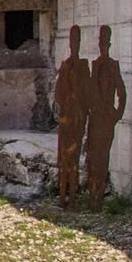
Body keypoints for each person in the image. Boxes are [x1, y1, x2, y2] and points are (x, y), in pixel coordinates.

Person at [84, 24, 127, 208]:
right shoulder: (94, 66)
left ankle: (99, 196)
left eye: (105, 42)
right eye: (100, 42)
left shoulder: (113, 65)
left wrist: (117, 114)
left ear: (108, 44)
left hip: (107, 117)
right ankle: (92, 195)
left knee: (103, 157)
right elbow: (89, 91)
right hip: (95, 117)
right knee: (93, 156)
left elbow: (122, 92)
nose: (102, 46)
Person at [53, 23, 89, 208]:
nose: (75, 44)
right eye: (73, 40)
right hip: (67, 117)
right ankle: (62, 195)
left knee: (73, 159)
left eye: (78, 40)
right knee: (64, 159)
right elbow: (58, 93)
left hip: (78, 118)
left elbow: (88, 92)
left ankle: (73, 196)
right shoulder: (65, 66)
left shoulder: (84, 66)